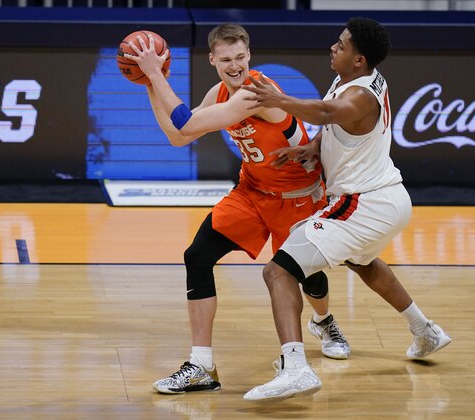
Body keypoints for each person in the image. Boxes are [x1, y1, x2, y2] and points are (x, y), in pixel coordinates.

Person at [123, 23, 351, 395]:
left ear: (250, 56)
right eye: (226, 59)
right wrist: (151, 84)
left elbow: (186, 120)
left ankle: (324, 321)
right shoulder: (219, 92)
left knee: (306, 277)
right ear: (213, 59)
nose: (235, 65)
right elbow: (178, 136)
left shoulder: (256, 92)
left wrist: (153, 73)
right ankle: (201, 365)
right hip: (252, 191)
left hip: (296, 195)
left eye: (241, 57)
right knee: (197, 256)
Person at [241, 17, 452, 401]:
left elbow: (325, 112)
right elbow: (335, 124)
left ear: (359, 59)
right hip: (388, 197)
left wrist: (278, 100)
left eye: (341, 45)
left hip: (362, 202)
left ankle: (296, 369)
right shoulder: (356, 80)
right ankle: (425, 331)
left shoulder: (360, 96)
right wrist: (312, 148)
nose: (333, 48)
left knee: (278, 271)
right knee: (362, 261)